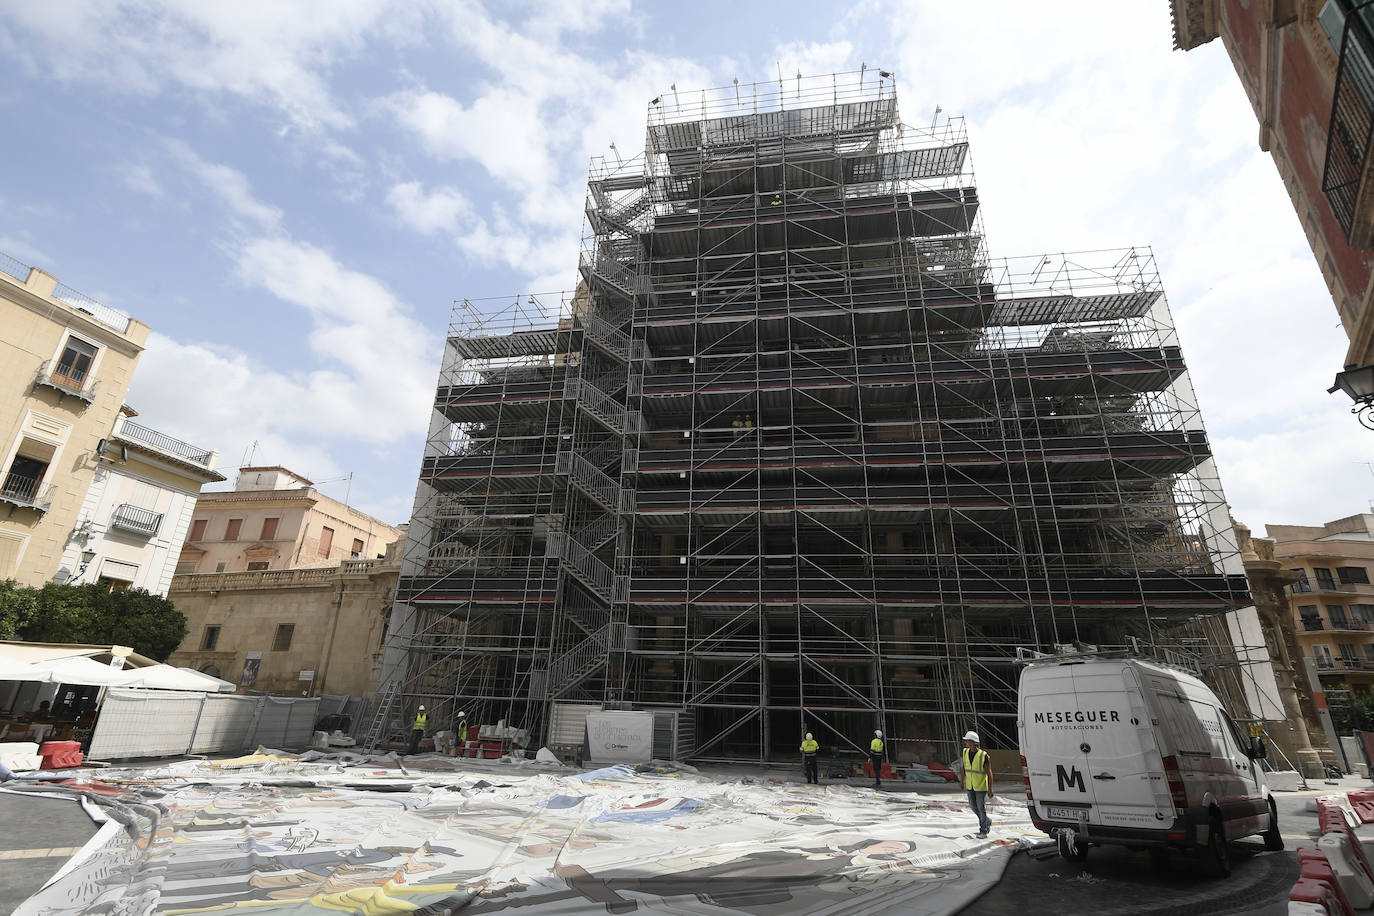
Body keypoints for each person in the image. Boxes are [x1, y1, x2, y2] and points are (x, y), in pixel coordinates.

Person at [958, 729, 994, 837]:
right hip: (970, 785)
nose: (965, 742)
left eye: (967, 740)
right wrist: (962, 781)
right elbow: (964, 768)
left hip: (980, 787)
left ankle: (984, 830)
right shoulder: (965, 752)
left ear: (973, 742)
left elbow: (989, 773)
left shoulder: (983, 756)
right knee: (973, 806)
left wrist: (990, 789)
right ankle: (986, 820)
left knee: (981, 808)